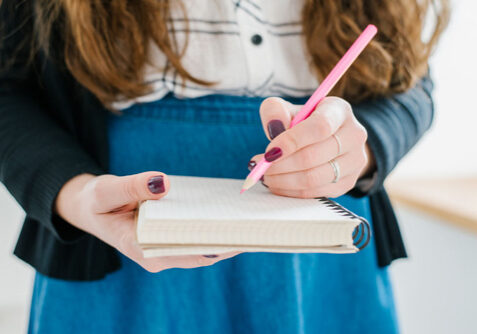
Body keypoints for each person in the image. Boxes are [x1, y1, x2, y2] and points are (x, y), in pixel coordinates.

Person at [0, 0, 448, 333]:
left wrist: (358, 148)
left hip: (320, 248)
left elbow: (410, 79)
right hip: (113, 242)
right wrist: (72, 193)